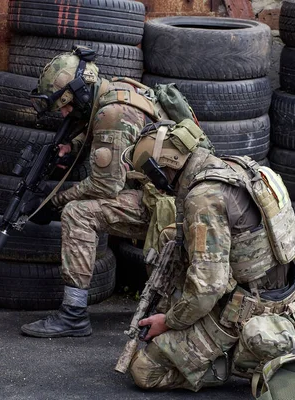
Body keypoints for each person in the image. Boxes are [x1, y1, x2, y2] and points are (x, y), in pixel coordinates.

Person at [122, 122, 295, 391]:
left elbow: (209, 286)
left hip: (248, 311)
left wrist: (169, 322)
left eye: (151, 177)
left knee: (144, 371)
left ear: (163, 171)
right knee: (171, 237)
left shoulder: (204, 198)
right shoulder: (236, 167)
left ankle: (231, 361)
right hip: (288, 292)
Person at [21, 46, 177, 338]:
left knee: (78, 213)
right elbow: (119, 142)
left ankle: (73, 315)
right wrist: (75, 145)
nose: (65, 113)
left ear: (79, 94)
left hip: (169, 209)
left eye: (66, 105)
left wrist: (54, 202)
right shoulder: (114, 91)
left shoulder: (112, 112)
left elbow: (106, 186)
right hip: (170, 197)